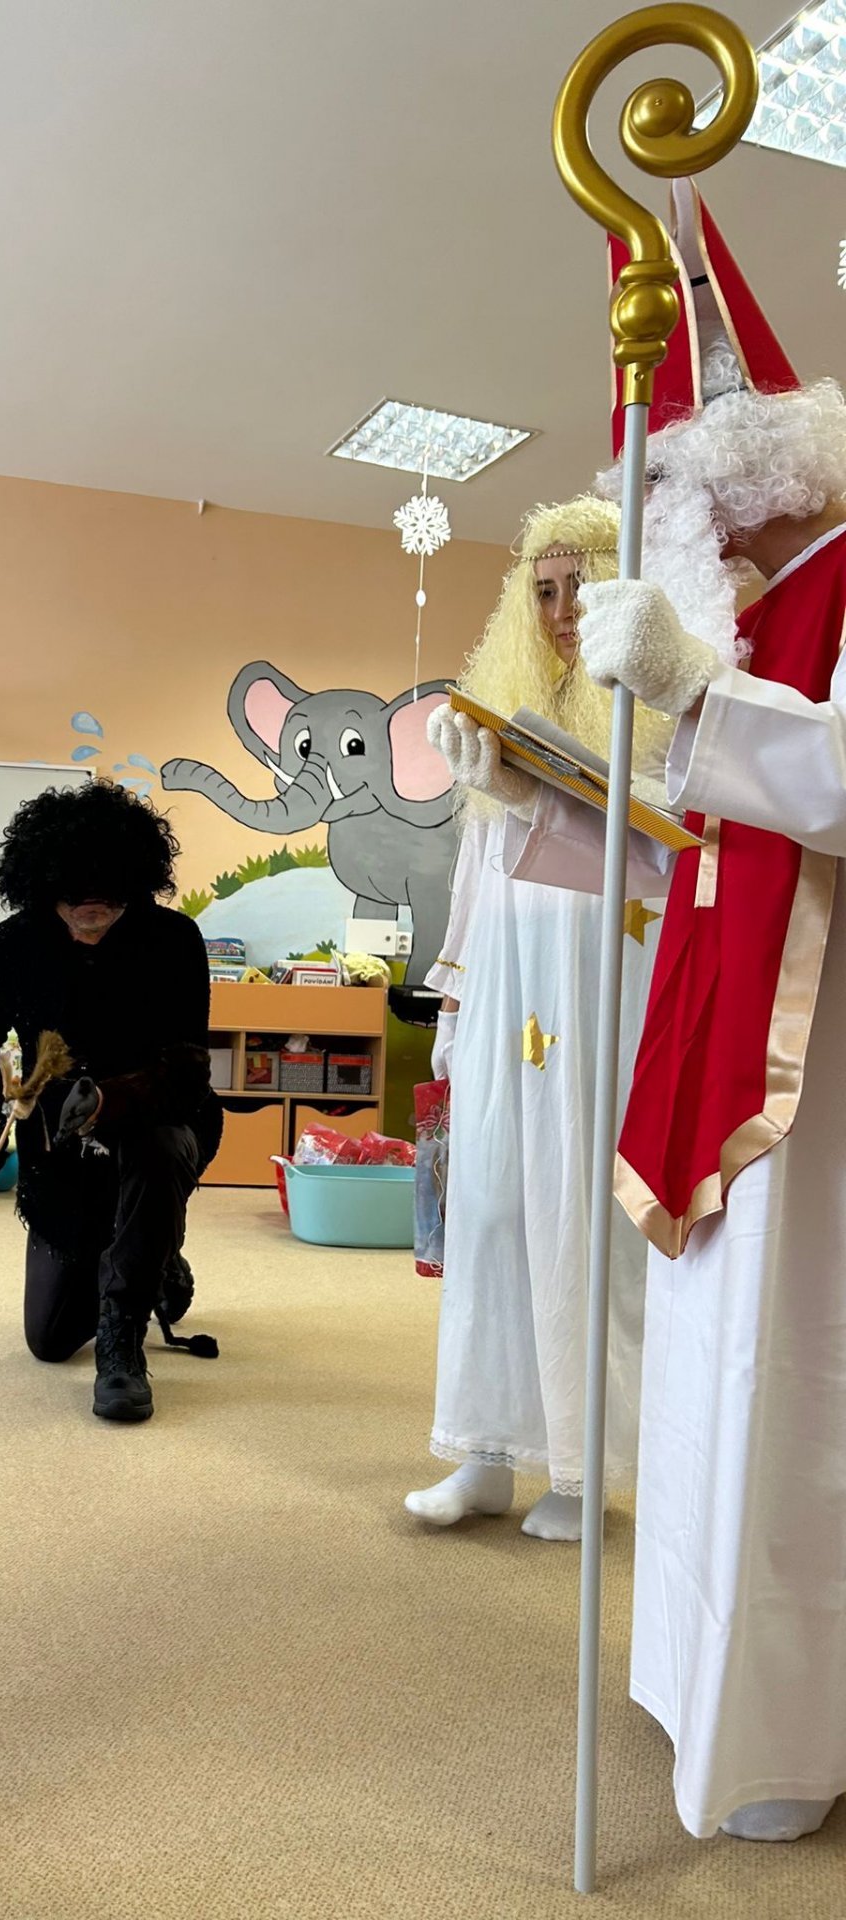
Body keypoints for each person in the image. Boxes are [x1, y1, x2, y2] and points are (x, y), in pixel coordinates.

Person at [448, 186, 846, 1843]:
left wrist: (702, 690)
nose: (674, 525)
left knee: (789, 1377)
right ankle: (706, 1695)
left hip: (817, 1056)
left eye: (687, 492)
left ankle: (784, 1737)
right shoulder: (760, 603)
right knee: (712, 1359)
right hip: (721, 1007)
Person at [405, 497, 672, 1540]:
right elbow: (477, 876)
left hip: (604, 992)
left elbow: (657, 854)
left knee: (583, 1226)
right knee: (492, 1215)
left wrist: (539, 795)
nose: (562, 611)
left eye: (581, 586)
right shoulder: (509, 714)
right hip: (509, 997)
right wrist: (457, 1001)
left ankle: (580, 1471)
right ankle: (484, 1452)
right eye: (546, 590)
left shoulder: (660, 722)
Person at [0, 779, 222, 1424]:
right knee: (49, 1341)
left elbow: (188, 1067)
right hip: (56, 1146)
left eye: (107, 896)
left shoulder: (174, 939)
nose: (90, 911)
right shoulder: (18, 941)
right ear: (43, 887)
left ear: (135, 881)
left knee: (156, 1153)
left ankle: (123, 1341)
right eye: (73, 897)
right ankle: (155, 1259)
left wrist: (107, 1101)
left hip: (159, 1123)